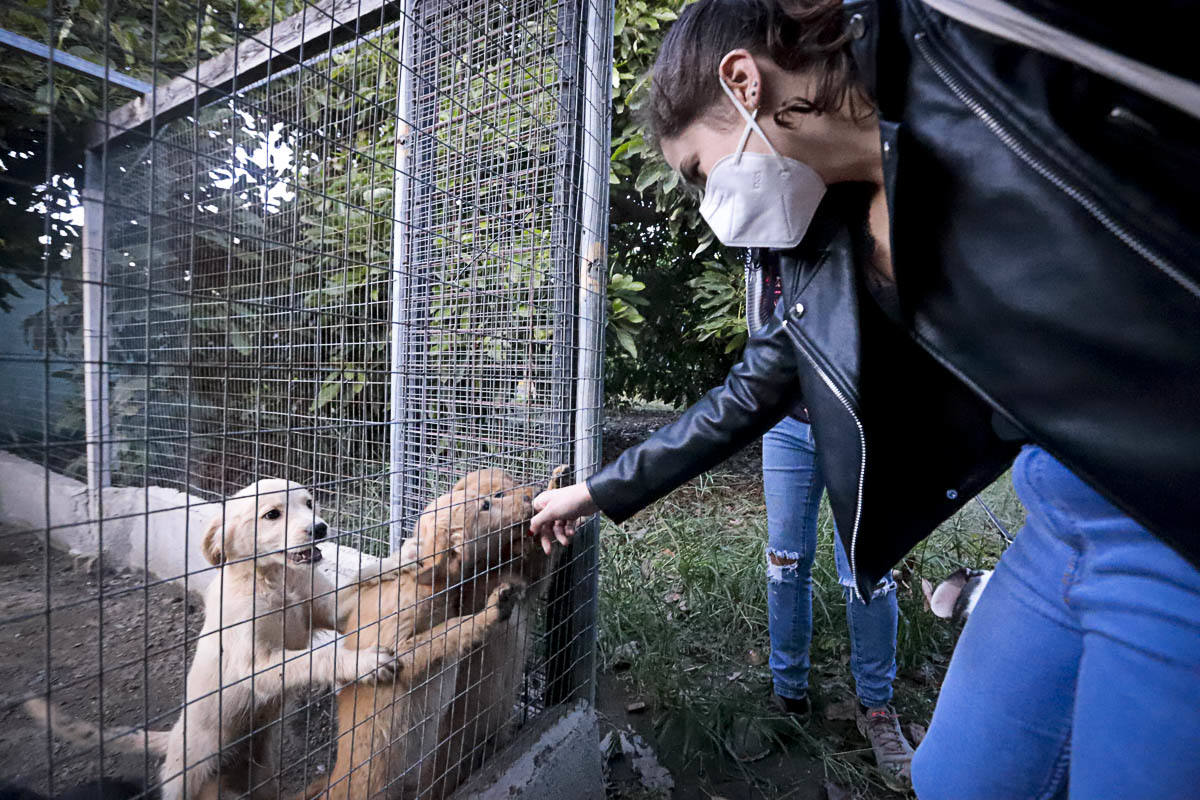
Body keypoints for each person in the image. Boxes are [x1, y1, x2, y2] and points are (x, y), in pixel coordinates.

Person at [531, 0, 1200, 797]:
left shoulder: (969, 46)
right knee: (956, 778)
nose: (712, 206)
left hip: (1171, 512)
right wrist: (597, 488)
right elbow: (750, 393)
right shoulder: (829, 242)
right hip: (1060, 506)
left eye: (700, 171)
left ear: (743, 81)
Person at [748, 256, 912, 786]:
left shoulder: (859, 236)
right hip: (786, 426)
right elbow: (764, 342)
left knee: (867, 568)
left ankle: (878, 709)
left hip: (858, 424)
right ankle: (787, 691)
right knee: (783, 562)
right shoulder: (762, 253)